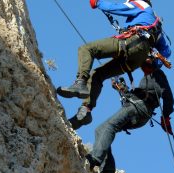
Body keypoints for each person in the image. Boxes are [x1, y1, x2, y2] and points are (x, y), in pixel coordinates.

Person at [56, 0, 167, 128]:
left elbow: (117, 8)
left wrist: (98, 3)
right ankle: (85, 111)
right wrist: (155, 63)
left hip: (132, 42)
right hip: (136, 60)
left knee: (87, 49)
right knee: (98, 75)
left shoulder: (141, 4)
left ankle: (80, 83)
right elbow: (166, 51)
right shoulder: (156, 25)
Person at [85, 53, 174, 173]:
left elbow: (168, 96)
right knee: (101, 130)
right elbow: (139, 93)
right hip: (137, 108)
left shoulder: (157, 75)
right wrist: (122, 89)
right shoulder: (146, 79)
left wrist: (165, 116)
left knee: (109, 127)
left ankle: (95, 158)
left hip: (138, 107)